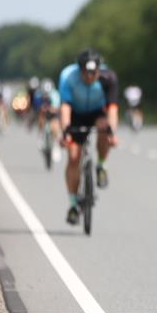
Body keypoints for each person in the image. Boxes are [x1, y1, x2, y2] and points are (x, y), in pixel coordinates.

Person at [59, 49, 120, 225]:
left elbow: (112, 109)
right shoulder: (68, 77)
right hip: (76, 113)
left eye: (94, 73)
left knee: (104, 128)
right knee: (73, 157)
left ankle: (101, 165)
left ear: (100, 70)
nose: (90, 77)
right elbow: (65, 107)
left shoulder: (109, 78)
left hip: (97, 113)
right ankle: (73, 205)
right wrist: (65, 132)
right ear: (80, 70)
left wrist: (112, 133)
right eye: (86, 73)